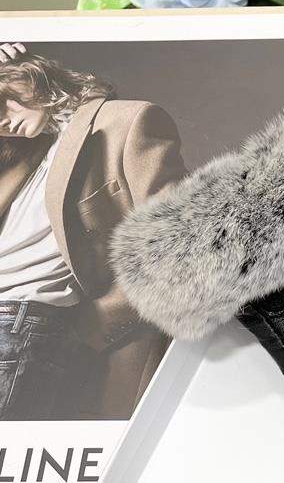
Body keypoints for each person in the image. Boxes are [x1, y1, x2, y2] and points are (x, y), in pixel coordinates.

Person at [0, 47, 186, 419]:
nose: (2, 122)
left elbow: (176, 243)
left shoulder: (127, 121)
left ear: (30, 76)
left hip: (22, 324)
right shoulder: (19, 154)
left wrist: (97, 322)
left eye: (2, 102)